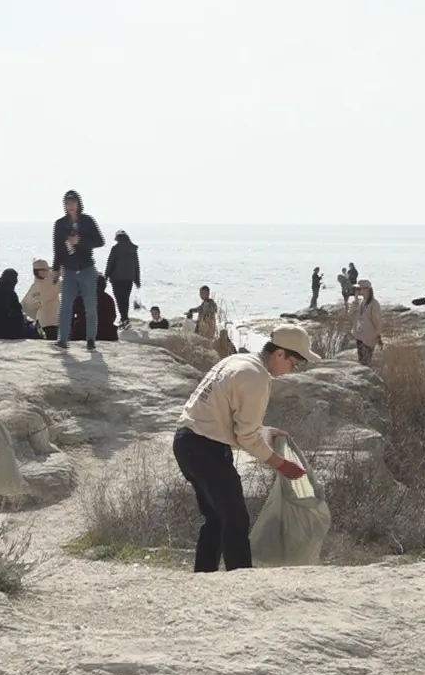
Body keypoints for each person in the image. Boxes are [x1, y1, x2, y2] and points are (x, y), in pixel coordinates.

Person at [173, 324, 317, 573]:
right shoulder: (256, 376)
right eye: (294, 363)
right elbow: (246, 436)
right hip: (205, 448)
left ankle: (203, 577)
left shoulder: (239, 361)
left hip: (188, 442)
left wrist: (265, 432)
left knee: (217, 519)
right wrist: (281, 465)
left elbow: (229, 418)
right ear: (279, 354)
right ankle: (241, 582)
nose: (291, 370)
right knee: (236, 519)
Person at [52, 189, 106, 350]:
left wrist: (80, 241)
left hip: (87, 269)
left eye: (73, 202)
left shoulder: (87, 221)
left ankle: (90, 340)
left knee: (90, 306)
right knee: (66, 305)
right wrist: (55, 269)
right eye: (67, 203)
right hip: (68, 270)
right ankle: (63, 340)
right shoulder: (60, 224)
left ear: (79, 203)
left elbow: (100, 241)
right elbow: (58, 249)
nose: (70, 206)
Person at [105, 229, 141, 329]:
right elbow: (136, 266)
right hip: (129, 278)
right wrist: (137, 280)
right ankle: (125, 319)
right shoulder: (133, 249)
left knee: (119, 299)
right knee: (125, 299)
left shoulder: (116, 249)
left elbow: (110, 263)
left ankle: (124, 319)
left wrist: (106, 276)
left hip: (117, 278)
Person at [71, 273, 120, 342]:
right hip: (106, 334)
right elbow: (112, 316)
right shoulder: (108, 299)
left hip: (83, 333)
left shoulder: (81, 298)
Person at [23, 259, 61, 340]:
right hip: (51, 322)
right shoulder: (50, 283)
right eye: (45, 270)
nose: (47, 272)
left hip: (42, 321)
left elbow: (26, 305)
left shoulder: (34, 286)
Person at [351, 279, 382, 365]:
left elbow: (377, 322)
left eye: (359, 289)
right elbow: (351, 313)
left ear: (367, 289)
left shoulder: (374, 304)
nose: (358, 291)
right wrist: (356, 300)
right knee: (361, 362)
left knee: (366, 362)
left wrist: (376, 336)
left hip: (369, 338)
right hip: (360, 336)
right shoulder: (361, 302)